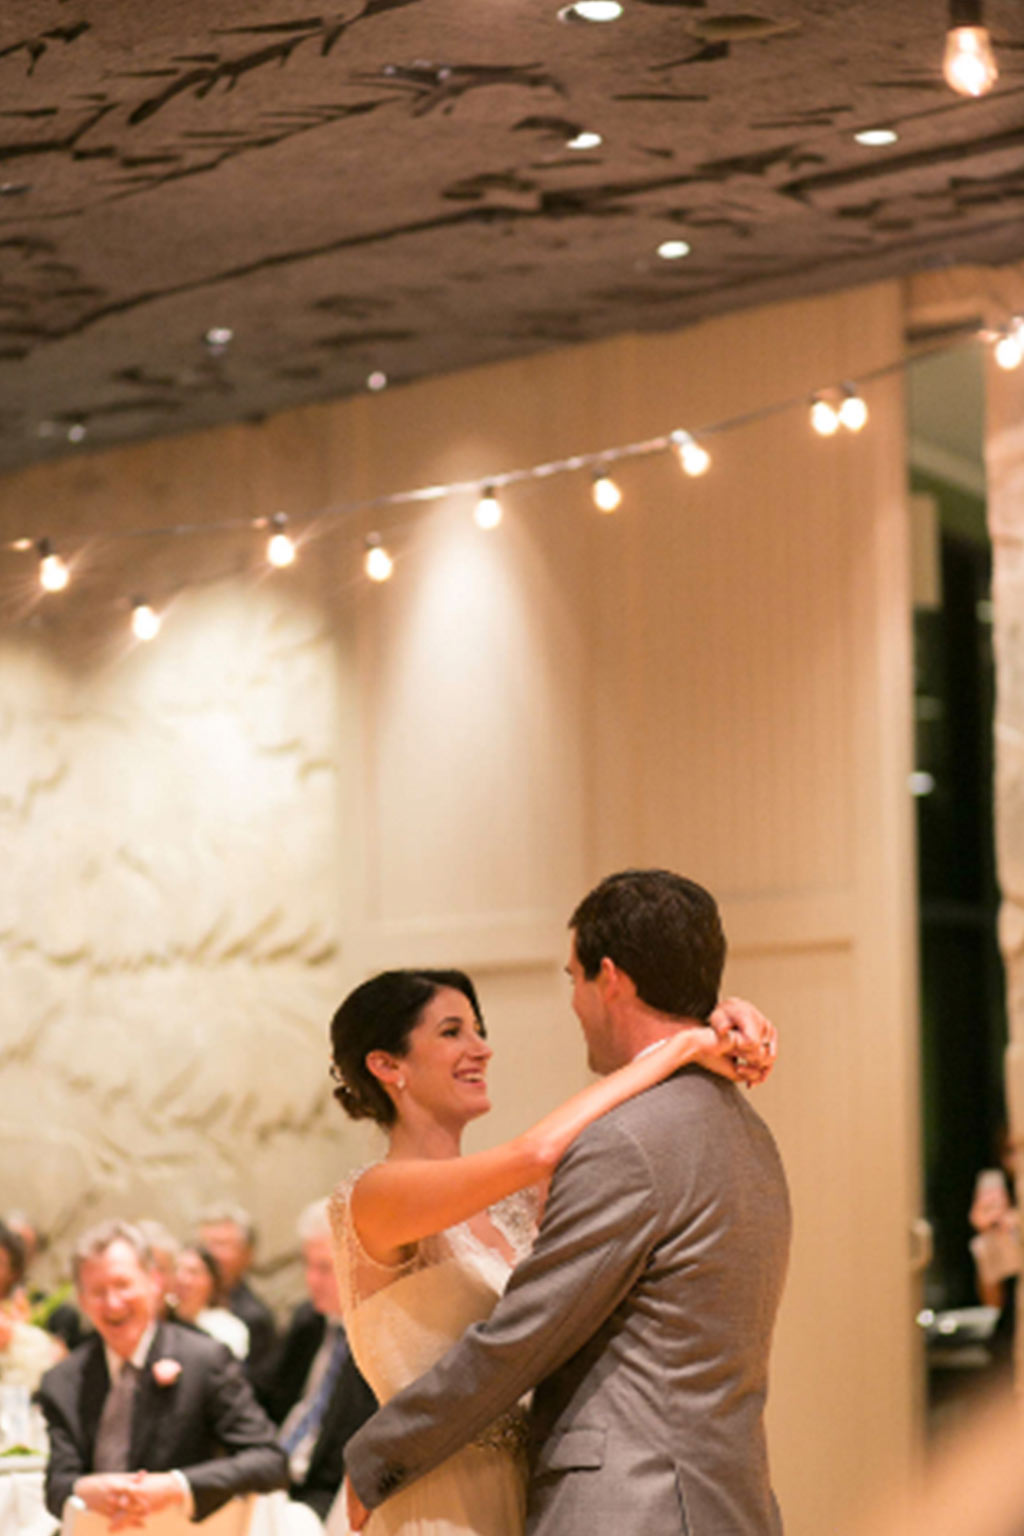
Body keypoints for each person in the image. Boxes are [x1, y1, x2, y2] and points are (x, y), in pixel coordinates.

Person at [326, 869, 782, 1536]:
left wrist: (696, 1037)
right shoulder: (377, 1192)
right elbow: (537, 1152)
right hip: (443, 1496)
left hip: (587, 1499)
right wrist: (691, 1041)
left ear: (611, 978)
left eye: (573, 979)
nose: (481, 1047)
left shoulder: (590, 1164)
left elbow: (524, 1332)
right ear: (386, 1064)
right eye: (452, 1031)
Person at [38, 1219, 288, 1526]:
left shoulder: (204, 1360)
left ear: (154, 1282)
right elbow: (57, 1485)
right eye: (97, 1291)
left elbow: (269, 1461)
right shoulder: (63, 1380)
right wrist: (85, 1488)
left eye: (122, 1285)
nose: (113, 1303)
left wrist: (176, 1486)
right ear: (81, 1300)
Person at [265, 1198, 377, 1519]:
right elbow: (268, 1397)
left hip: (329, 1495)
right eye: (307, 1265)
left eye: (324, 1268)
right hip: (275, 1476)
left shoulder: (377, 1339)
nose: (311, 1280)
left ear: (358, 1266)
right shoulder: (308, 1322)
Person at [196, 1203, 278, 1395]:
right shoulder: (182, 1305)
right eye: (206, 1245)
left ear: (247, 1254)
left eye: (222, 1245)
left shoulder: (256, 1318)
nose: (211, 1254)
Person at [171, 1243, 251, 1360]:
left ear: (212, 1281)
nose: (182, 1279)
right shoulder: (160, 1318)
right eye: (177, 1270)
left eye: (193, 1272)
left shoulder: (229, 1328)